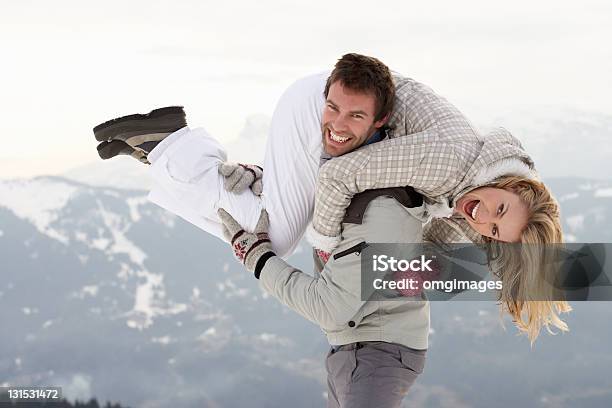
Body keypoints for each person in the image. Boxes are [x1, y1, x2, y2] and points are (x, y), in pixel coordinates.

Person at [93, 53, 570, 343]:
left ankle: (167, 151)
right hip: (332, 112)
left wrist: (503, 273)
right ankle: (169, 145)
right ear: (513, 184)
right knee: (276, 236)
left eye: (491, 228)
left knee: (274, 215)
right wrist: (327, 251)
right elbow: (339, 177)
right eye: (498, 209)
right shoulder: (449, 162)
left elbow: (429, 249)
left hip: (349, 124)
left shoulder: (476, 189)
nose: (481, 216)